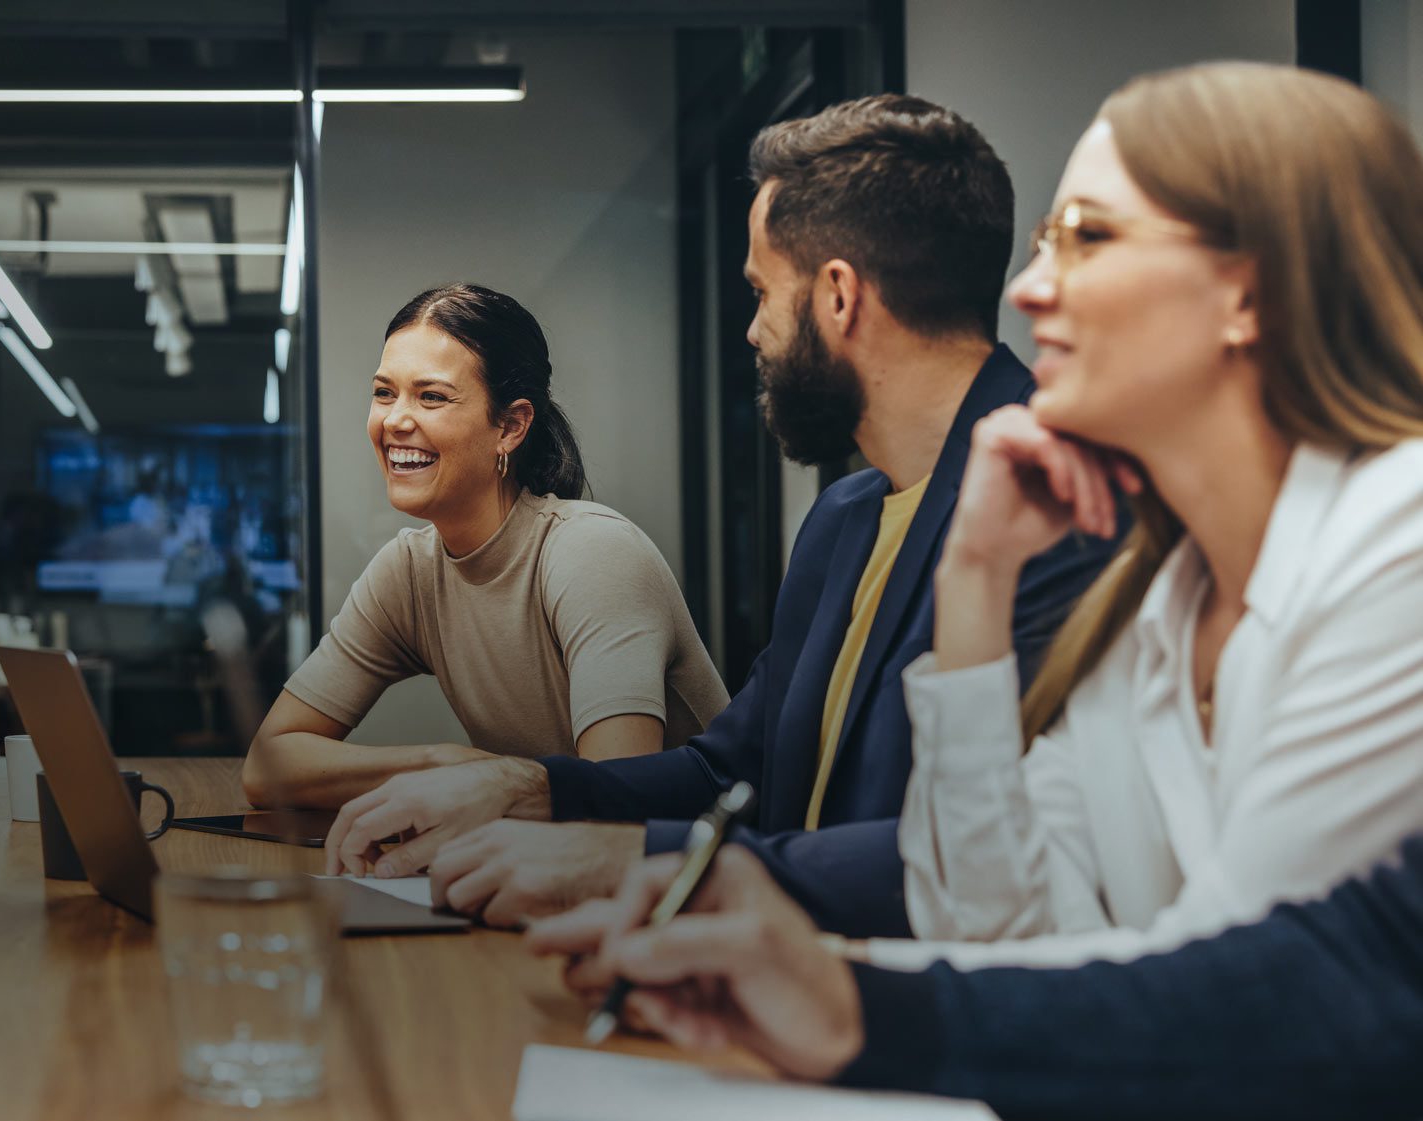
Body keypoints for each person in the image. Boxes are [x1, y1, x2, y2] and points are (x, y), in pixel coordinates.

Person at [324, 95, 1117, 935]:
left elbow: (979, 856)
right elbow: (729, 768)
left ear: (838, 297)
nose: (752, 332)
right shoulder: (845, 519)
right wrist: (531, 788)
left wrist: (626, 857)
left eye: (762, 292)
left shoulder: (1064, 512)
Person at [861, 60, 1423, 971]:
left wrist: (829, 990)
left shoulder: (1403, 542)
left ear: (1251, 294)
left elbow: (1220, 997)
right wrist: (975, 574)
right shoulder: (1158, 604)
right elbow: (988, 929)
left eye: (1086, 237)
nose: (1027, 289)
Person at [241, 284, 727, 809]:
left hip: (700, 875)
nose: (396, 420)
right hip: (561, 870)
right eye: (384, 392)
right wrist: (444, 763)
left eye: (431, 397)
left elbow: (615, 806)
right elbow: (268, 769)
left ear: (511, 427)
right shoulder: (409, 571)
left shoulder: (592, 552)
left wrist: (487, 784)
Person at [527, 840, 1423, 1121]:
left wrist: (856, 998)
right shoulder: (1152, 581)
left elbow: (1319, 988)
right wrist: (852, 1007)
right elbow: (1358, 959)